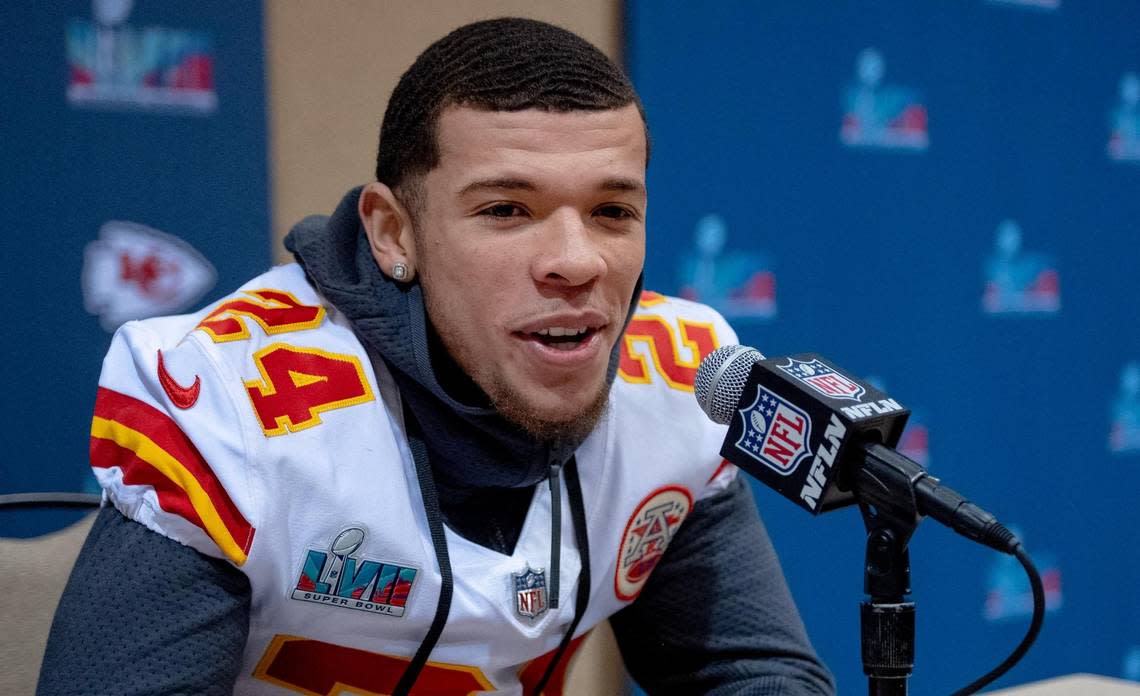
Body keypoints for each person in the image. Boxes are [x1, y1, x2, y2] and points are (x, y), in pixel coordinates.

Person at [40, 18, 835, 696]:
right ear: (393, 233)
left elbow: (749, 671)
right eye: (505, 209)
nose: (576, 260)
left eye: (612, 210)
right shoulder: (223, 401)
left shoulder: (683, 379)